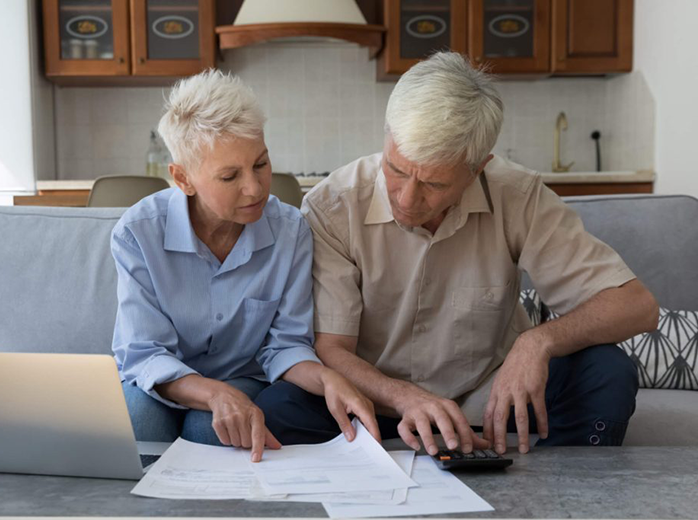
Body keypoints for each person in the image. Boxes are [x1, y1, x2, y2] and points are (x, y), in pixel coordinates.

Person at [256, 52, 659, 455]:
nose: (408, 199)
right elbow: (332, 348)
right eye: (396, 170)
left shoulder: (518, 196)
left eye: (434, 183)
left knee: (607, 372)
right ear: (386, 137)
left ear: (478, 167)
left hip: (492, 396)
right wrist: (404, 397)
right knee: (277, 409)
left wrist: (537, 343)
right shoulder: (333, 206)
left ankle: (561, 496)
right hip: (375, 397)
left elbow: (636, 306)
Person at [110, 70, 379, 462]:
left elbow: (286, 346)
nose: (254, 188)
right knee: (139, 424)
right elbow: (144, 353)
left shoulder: (291, 232)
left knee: (213, 432)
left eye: (261, 163)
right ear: (183, 178)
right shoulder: (137, 234)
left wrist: (328, 378)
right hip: (157, 383)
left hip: (243, 380)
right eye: (229, 176)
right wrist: (215, 393)